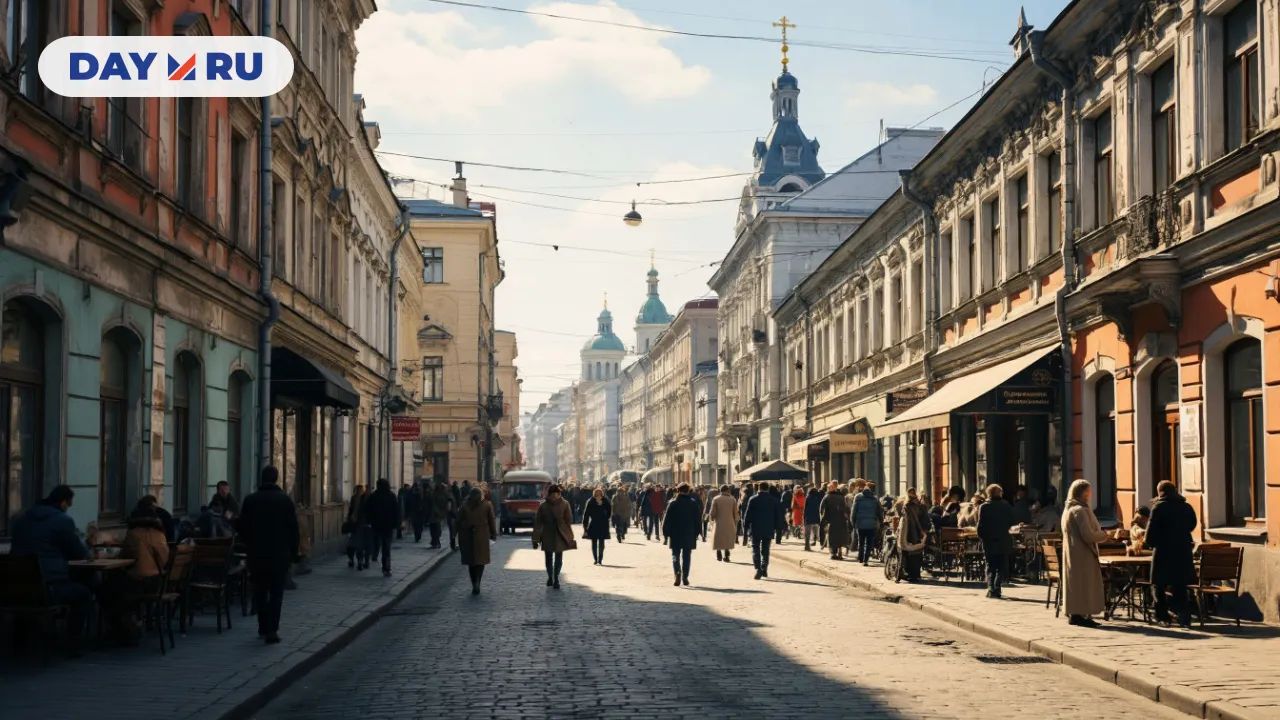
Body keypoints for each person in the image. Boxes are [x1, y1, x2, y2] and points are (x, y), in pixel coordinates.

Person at [11, 485, 92, 646]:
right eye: (69, 505)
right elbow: (79, 553)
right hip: (49, 588)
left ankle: (19, 643)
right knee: (84, 593)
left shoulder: (21, 518)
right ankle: (72, 643)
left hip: (15, 589)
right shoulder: (62, 521)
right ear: (63, 503)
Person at [238, 466, 300, 644]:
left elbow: (243, 528)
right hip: (279, 555)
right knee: (276, 593)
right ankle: (272, 630)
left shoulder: (251, 500)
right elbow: (293, 529)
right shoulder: (284, 501)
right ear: (276, 479)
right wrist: (294, 553)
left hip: (257, 555)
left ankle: (263, 626)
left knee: (260, 592)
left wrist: (250, 544)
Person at [103, 505, 170, 644]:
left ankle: (122, 628)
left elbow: (123, 558)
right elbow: (165, 559)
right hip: (157, 583)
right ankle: (131, 624)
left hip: (138, 583)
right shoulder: (160, 535)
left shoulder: (134, 534)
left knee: (108, 589)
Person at [1061, 479, 1113, 628]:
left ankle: (1075, 613)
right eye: (1088, 491)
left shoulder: (1068, 509)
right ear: (1083, 493)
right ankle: (1082, 613)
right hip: (1083, 554)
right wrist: (1106, 535)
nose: (1090, 494)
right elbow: (1088, 535)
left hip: (1072, 552)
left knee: (1076, 585)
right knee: (1085, 585)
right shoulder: (1080, 510)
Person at [1145, 481, 1197, 627]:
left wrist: (1152, 543)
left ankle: (1162, 616)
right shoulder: (1186, 507)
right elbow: (1192, 525)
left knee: (1158, 585)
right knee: (1180, 585)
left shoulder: (1158, 508)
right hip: (1183, 552)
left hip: (1163, 552)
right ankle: (1184, 616)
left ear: (1160, 492)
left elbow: (1149, 536)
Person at [976, 483, 1016, 599]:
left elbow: (980, 526)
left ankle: (990, 588)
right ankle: (997, 588)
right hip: (1003, 540)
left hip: (989, 541)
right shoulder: (1006, 506)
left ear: (989, 494)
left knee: (990, 565)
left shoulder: (984, 507)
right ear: (1000, 494)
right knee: (1001, 566)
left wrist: (982, 538)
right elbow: (1012, 521)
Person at [532, 484, 575, 589]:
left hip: (557, 533)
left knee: (556, 557)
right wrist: (535, 538)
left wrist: (536, 538)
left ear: (559, 494)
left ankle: (554, 577)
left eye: (556, 494)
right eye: (553, 494)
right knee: (551, 557)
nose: (554, 496)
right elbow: (538, 523)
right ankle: (552, 577)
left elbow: (569, 520)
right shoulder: (545, 505)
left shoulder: (562, 504)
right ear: (550, 494)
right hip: (551, 533)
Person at [457, 487, 497, 595]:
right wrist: (493, 533)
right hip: (482, 536)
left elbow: (458, 521)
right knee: (480, 561)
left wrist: (454, 536)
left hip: (468, 536)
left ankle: (474, 582)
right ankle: (477, 582)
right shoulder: (487, 505)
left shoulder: (464, 505)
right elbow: (491, 520)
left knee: (472, 562)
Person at [662, 483, 702, 586]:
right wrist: (698, 532)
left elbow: (666, 520)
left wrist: (665, 533)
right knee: (687, 556)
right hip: (689, 533)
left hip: (675, 534)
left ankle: (677, 573)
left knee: (675, 555)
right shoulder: (693, 503)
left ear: (678, 491)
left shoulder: (672, 503)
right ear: (688, 491)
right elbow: (698, 520)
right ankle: (685, 576)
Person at [743, 482, 783, 579]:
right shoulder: (774, 500)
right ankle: (764, 567)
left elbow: (747, 515)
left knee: (755, 548)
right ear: (767, 489)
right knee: (765, 549)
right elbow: (778, 516)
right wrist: (778, 529)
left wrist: (746, 526)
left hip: (755, 528)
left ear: (758, 489)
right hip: (769, 528)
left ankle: (758, 569)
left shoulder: (753, 499)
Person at [365, 479, 400, 577]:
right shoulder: (391, 496)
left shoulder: (374, 496)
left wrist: (369, 521)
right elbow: (396, 511)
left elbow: (368, 510)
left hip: (376, 525)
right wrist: (396, 524)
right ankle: (386, 568)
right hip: (388, 526)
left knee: (375, 542)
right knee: (386, 548)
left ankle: (373, 556)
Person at [896, 489, 931, 582]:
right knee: (916, 554)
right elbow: (926, 520)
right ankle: (915, 575)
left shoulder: (904, 506)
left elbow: (901, 518)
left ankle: (906, 573)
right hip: (917, 534)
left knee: (906, 554)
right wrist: (924, 530)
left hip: (907, 533)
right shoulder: (921, 506)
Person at [851, 482, 883, 565]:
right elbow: (879, 511)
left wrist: (853, 522)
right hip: (872, 524)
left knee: (861, 542)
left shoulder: (857, 497)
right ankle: (866, 560)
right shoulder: (875, 499)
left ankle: (860, 558)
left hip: (860, 523)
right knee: (869, 543)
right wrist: (881, 521)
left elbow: (854, 511)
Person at [819, 482, 851, 561]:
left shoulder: (827, 497)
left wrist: (823, 518)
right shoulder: (841, 497)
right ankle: (840, 552)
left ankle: (833, 553)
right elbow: (846, 508)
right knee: (840, 536)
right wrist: (846, 517)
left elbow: (821, 508)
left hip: (831, 520)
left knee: (832, 536)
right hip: (841, 520)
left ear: (829, 489)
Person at [708, 485, 739, 562]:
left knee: (718, 538)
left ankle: (718, 553)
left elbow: (712, 512)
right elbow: (735, 512)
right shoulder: (732, 499)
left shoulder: (716, 499)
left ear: (720, 491)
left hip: (718, 522)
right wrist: (736, 521)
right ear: (728, 490)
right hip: (730, 522)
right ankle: (727, 554)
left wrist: (711, 519)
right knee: (727, 538)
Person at [582, 486, 612, 566]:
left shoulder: (605, 501)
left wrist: (606, 517)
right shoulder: (591, 501)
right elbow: (586, 514)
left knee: (601, 543)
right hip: (594, 524)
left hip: (603, 524)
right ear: (594, 494)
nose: (598, 495)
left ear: (602, 494)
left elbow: (609, 511)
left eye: (600, 494)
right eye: (597, 494)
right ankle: (595, 559)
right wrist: (585, 526)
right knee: (594, 542)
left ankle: (600, 559)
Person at [345, 485, 370, 569]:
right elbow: (351, 510)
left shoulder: (360, 498)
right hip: (359, 524)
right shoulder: (359, 498)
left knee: (354, 544)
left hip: (358, 524)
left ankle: (356, 560)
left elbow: (351, 511)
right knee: (358, 544)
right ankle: (358, 561)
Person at [428, 480, 453, 549]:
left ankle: (435, 542)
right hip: (436, 513)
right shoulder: (440, 493)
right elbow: (448, 504)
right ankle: (435, 542)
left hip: (436, 513)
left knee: (435, 528)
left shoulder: (440, 493)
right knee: (436, 528)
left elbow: (448, 503)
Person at [803, 485, 824, 551]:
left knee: (807, 533)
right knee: (815, 531)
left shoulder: (808, 497)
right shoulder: (818, 498)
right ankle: (814, 541)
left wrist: (804, 517)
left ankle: (807, 546)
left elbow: (805, 509)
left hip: (808, 517)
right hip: (816, 517)